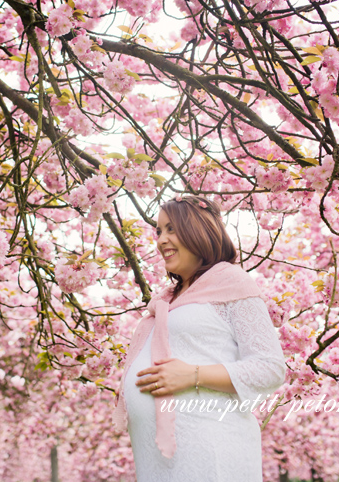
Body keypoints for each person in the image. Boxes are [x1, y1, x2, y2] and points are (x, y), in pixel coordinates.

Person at [112, 195, 286, 481]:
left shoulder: (231, 281)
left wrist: (193, 374)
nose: (161, 240)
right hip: (158, 461)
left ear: (198, 230)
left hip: (210, 452)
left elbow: (270, 367)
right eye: (159, 231)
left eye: (171, 229)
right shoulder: (166, 300)